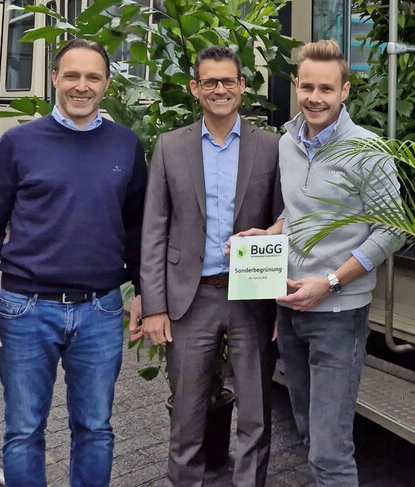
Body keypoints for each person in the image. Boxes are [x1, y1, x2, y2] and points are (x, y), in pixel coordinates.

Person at [0, 38, 148, 487]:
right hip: (25, 309)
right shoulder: (19, 143)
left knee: (95, 428)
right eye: (72, 76)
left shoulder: (126, 145)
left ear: (106, 84)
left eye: (93, 77)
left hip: (101, 310)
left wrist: (146, 291)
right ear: (54, 79)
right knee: (24, 430)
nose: (82, 86)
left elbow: (137, 227)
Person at [238, 40, 401, 487]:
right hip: (290, 310)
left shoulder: (367, 150)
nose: (315, 97)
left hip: (338, 315)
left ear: (344, 91)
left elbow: (392, 231)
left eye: (326, 89)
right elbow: (298, 212)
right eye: (307, 87)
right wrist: (270, 232)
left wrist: (330, 282)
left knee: (330, 452)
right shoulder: (288, 143)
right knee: (310, 434)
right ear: (296, 86)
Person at [138, 46, 283, 487]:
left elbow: (285, 223)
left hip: (252, 299)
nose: (220, 89)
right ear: (195, 88)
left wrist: (281, 304)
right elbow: (154, 229)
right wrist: (155, 307)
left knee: (256, 417)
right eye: (210, 82)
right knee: (186, 416)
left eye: (228, 81)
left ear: (243, 86)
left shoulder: (271, 147)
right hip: (190, 299)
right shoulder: (170, 147)